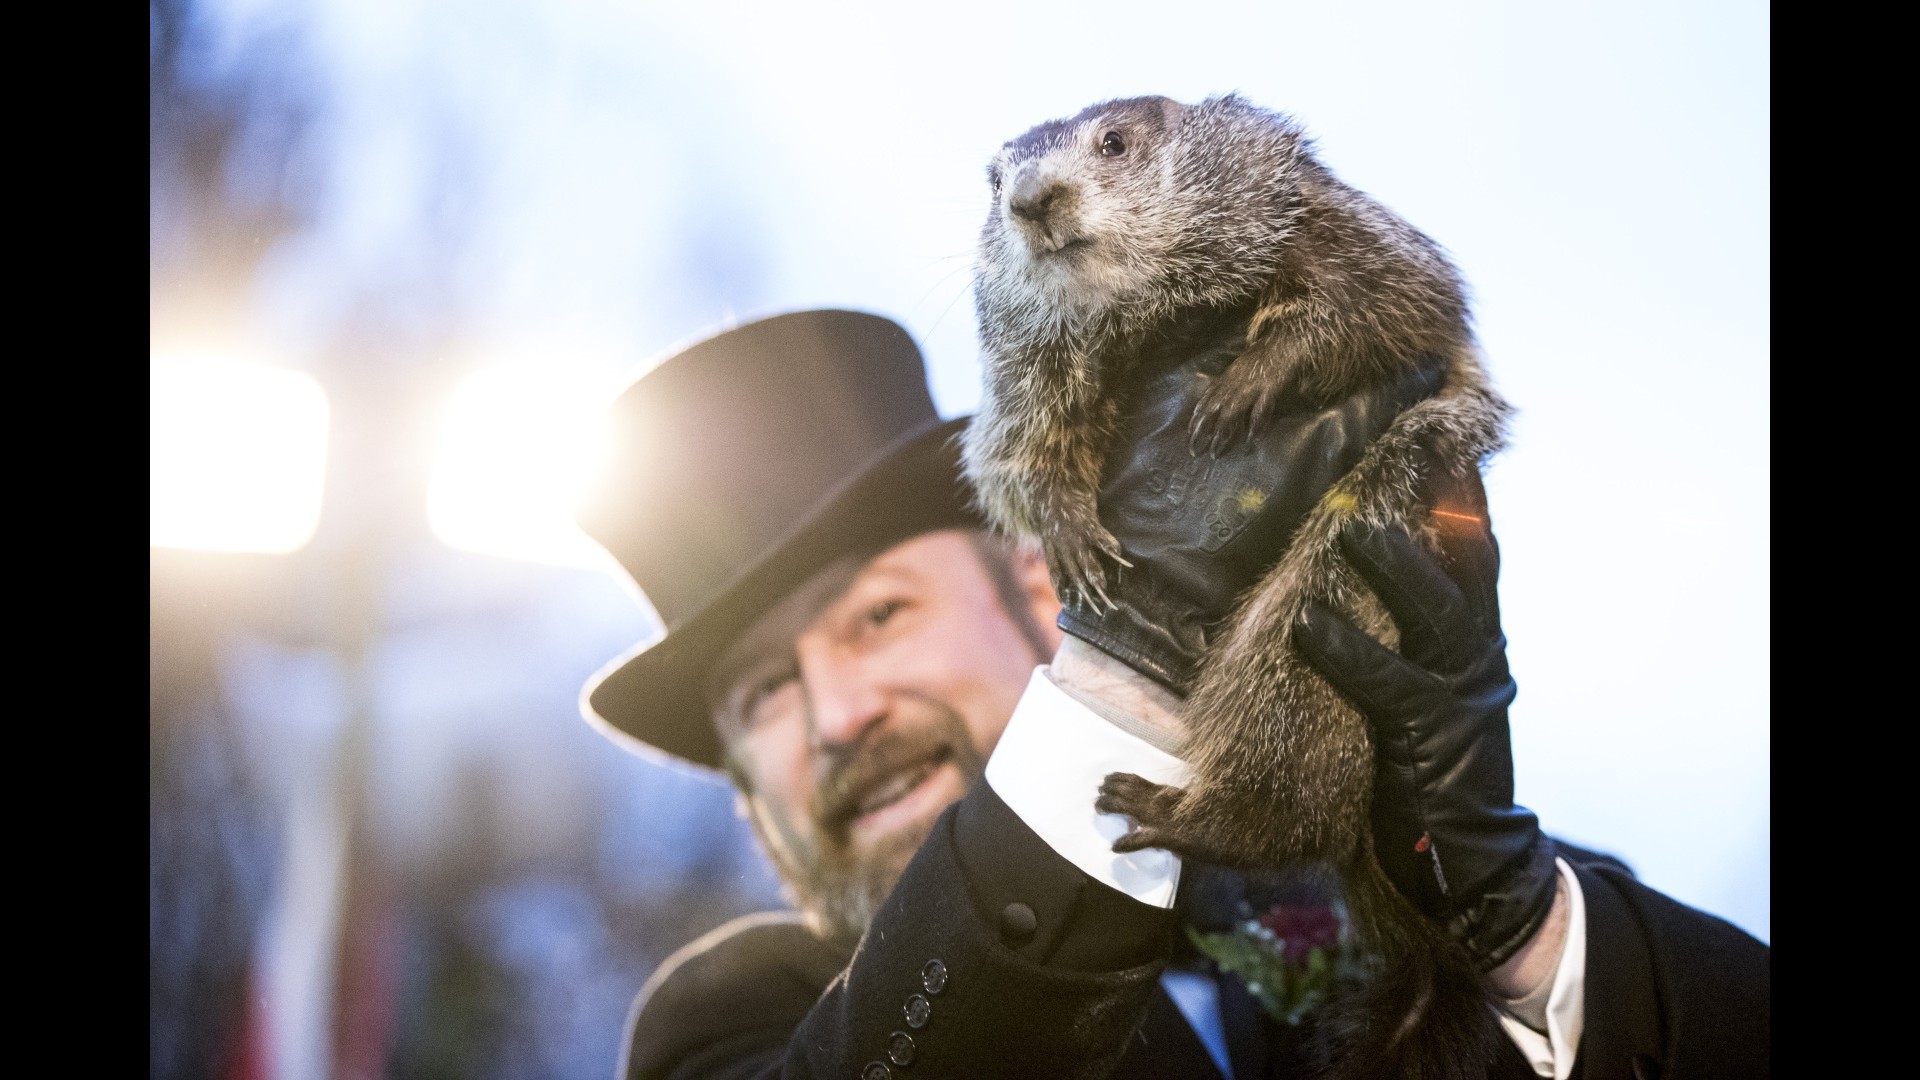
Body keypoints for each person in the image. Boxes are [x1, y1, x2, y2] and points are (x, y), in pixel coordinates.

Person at [575, 310, 1768, 1080]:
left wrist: (1515, 931)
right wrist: (1132, 675)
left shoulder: (1353, 904)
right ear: (744, 796)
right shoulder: (725, 1021)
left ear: (1043, 596)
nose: (838, 716)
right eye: (764, 695)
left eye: (881, 616)